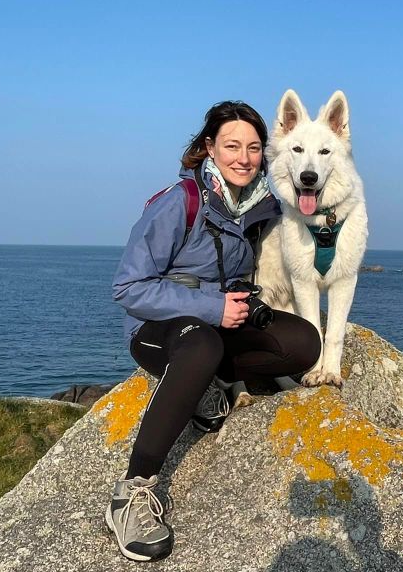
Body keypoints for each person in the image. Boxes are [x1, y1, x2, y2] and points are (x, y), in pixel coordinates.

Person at [105, 100, 322, 562]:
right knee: (200, 343)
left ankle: (203, 380)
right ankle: (133, 492)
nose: (243, 157)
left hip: (217, 322)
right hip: (158, 329)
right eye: (231, 146)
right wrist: (211, 306)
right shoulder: (179, 202)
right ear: (209, 149)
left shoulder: (260, 206)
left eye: (254, 147)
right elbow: (127, 287)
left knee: (303, 343)